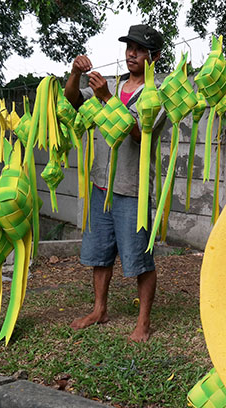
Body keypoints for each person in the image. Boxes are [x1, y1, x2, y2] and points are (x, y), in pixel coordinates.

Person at [64, 24, 166, 342]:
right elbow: (72, 101)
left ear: (155, 56)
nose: (131, 53)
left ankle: (144, 323)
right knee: (99, 253)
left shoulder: (156, 96)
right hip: (101, 185)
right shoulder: (110, 85)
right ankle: (99, 310)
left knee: (139, 258)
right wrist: (75, 73)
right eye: (128, 47)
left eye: (139, 48)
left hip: (131, 188)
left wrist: (107, 98)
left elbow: (139, 135)